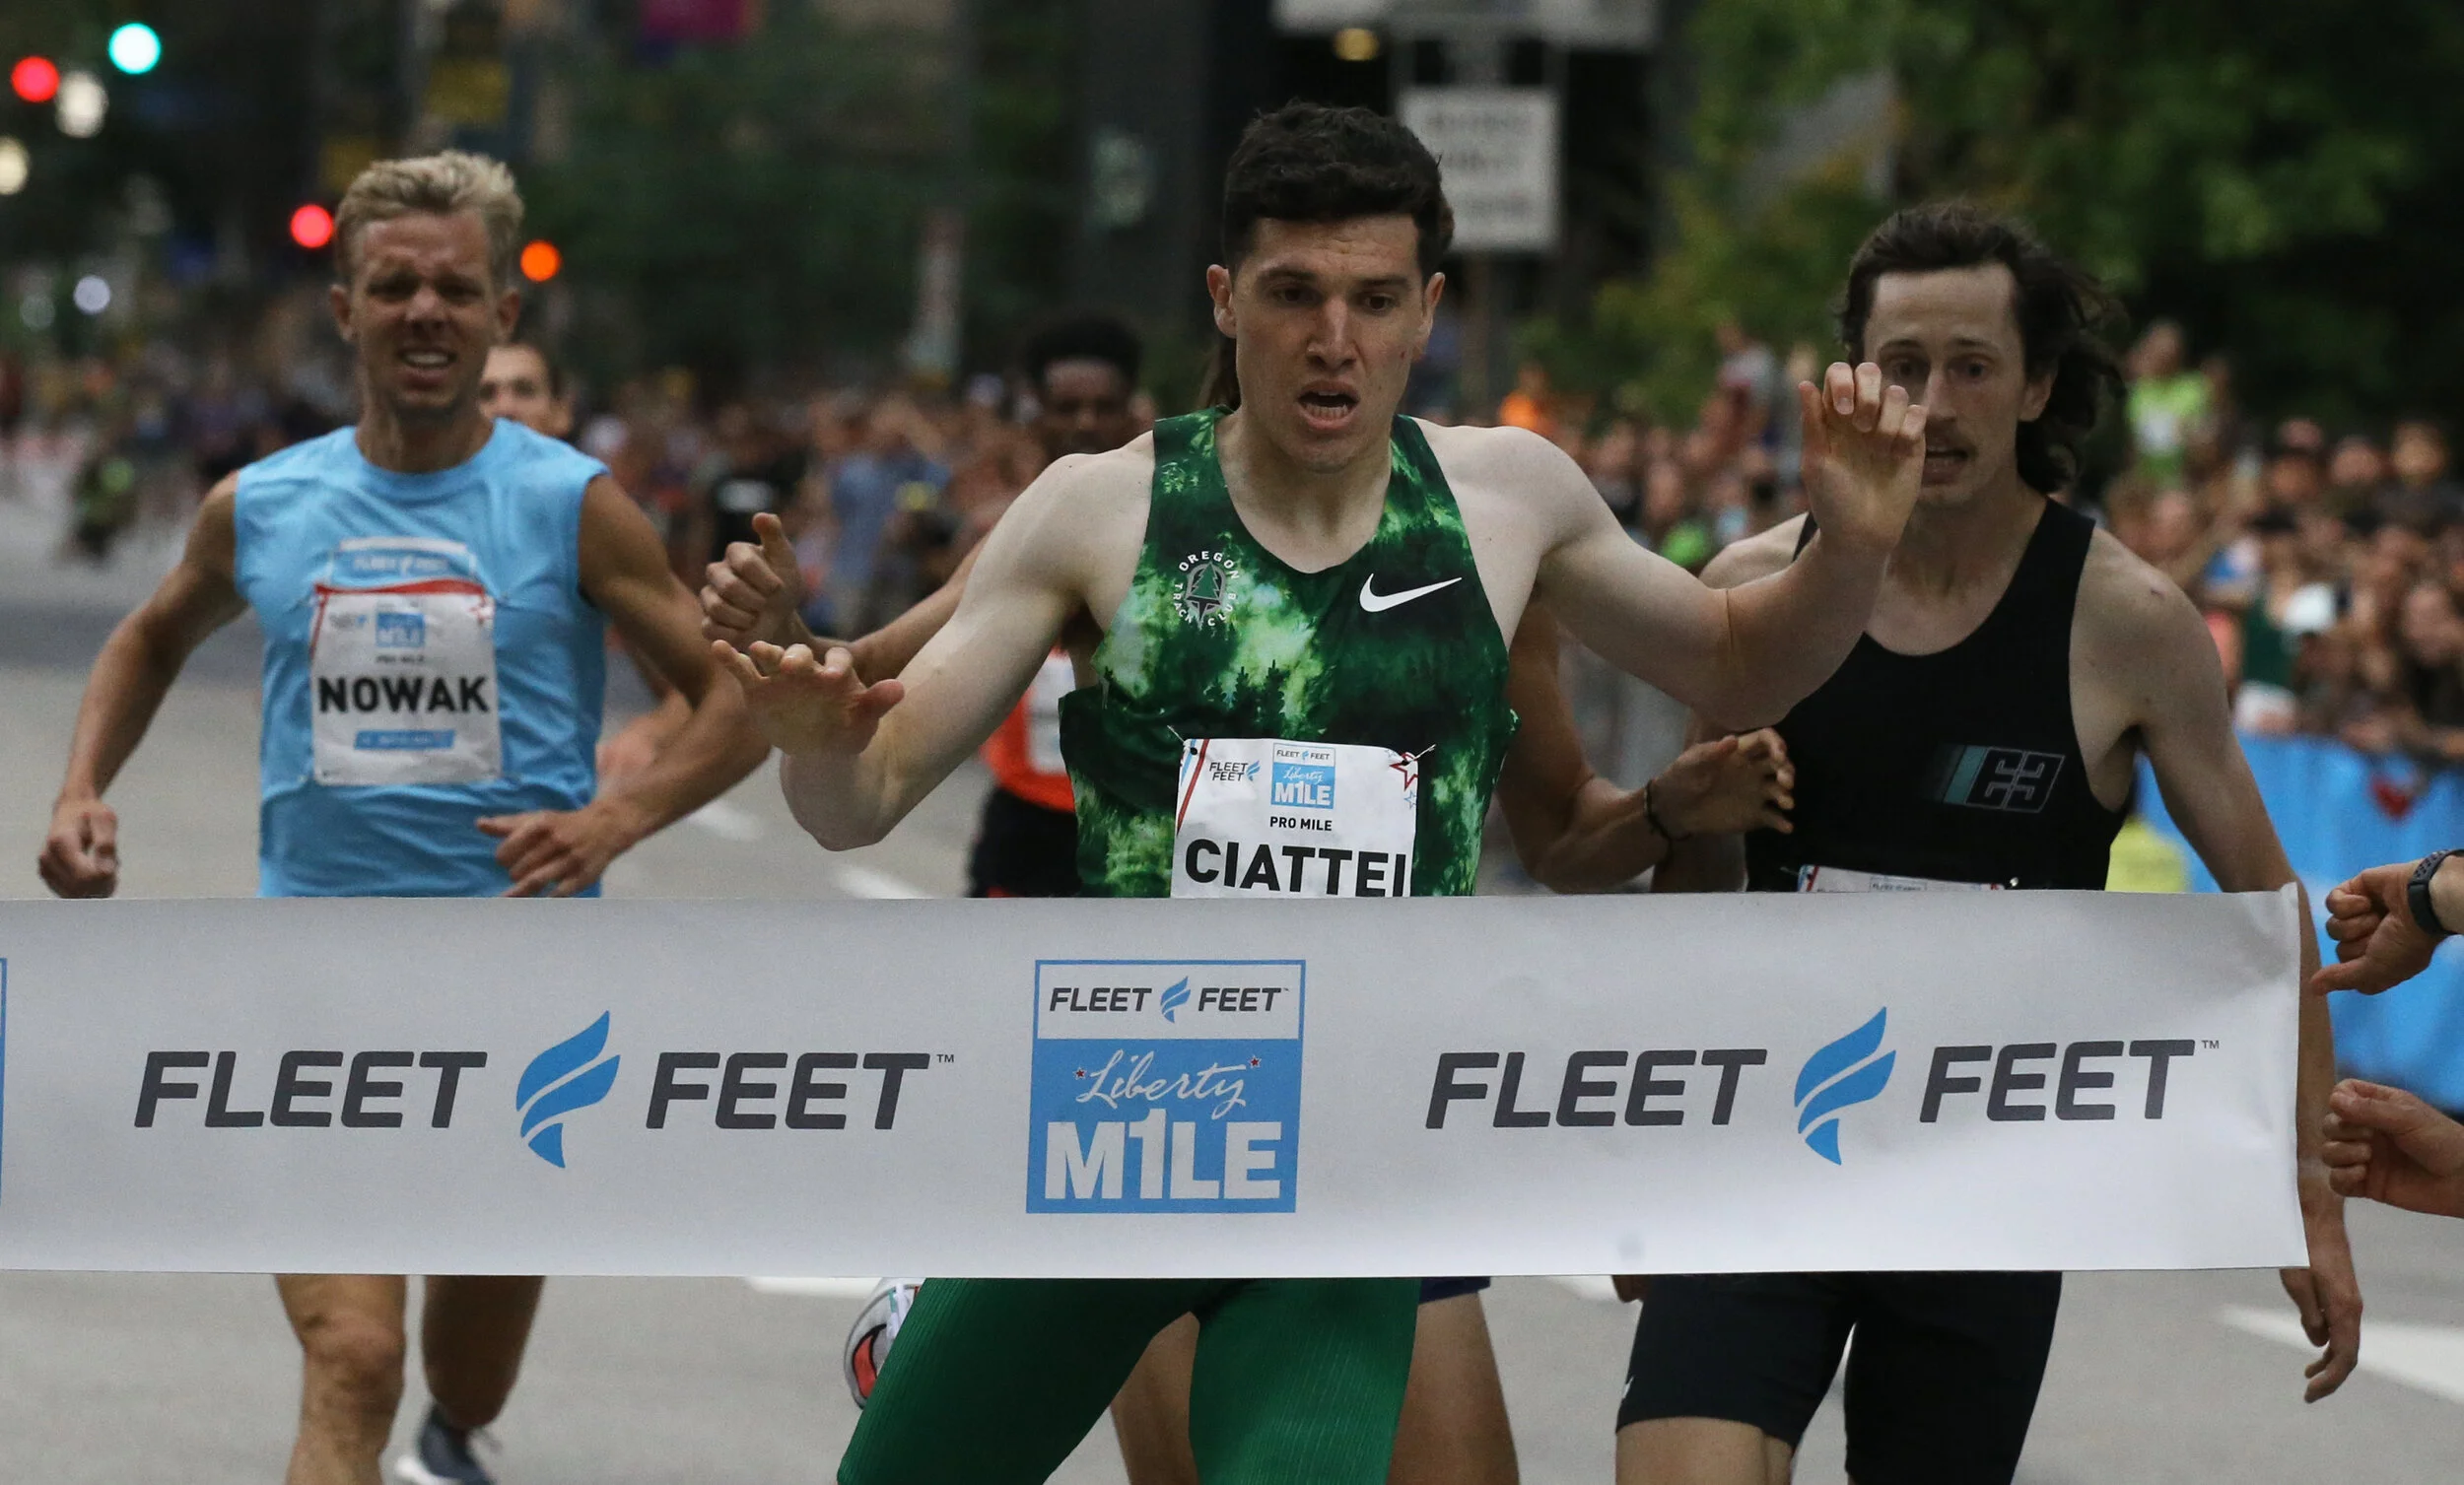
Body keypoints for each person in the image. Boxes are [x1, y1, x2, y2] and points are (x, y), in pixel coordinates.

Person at [717, 101, 1930, 1485]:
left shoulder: (1507, 499)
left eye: (1373, 299)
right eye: (1294, 294)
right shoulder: (1100, 509)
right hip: (1120, 1124)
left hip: (1344, 1147)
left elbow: (1740, 658)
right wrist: (816, 742)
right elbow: (861, 800)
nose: (1334, 339)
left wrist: (1854, 547)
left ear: (1429, 313)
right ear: (1226, 301)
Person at [34, 152, 767, 1485]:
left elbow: (738, 700)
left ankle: (458, 1419)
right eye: (394, 287)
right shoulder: (263, 504)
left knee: (463, 1378)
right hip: (318, 989)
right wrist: (83, 788)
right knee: (356, 1357)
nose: (425, 311)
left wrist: (617, 820)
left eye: (455, 289)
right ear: (346, 311)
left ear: (501, 317)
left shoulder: (572, 507)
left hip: (524, 1001)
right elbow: (147, 637)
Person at [1615, 203, 2359, 1485]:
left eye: (1973, 365)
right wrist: (1632, 1150)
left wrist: (2309, 1190)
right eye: (1904, 366)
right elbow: (1690, 895)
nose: (1938, 405)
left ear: (2037, 386)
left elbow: (2269, 914)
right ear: (1852, 382)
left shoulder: (2126, 621)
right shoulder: (1749, 591)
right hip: (1762, 1141)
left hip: (1987, 1182)